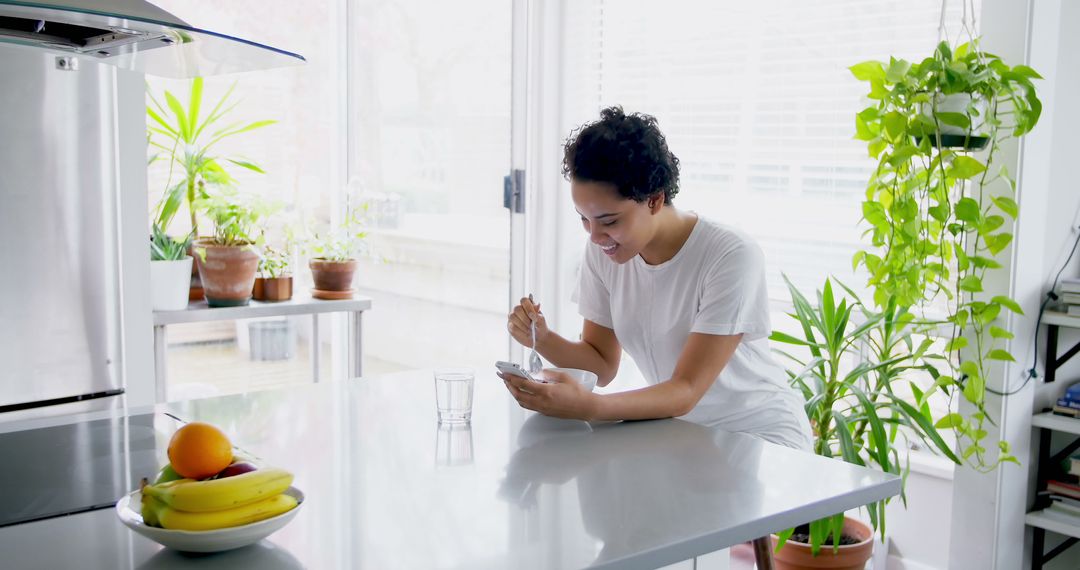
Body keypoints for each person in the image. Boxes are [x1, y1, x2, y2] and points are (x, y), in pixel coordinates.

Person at [499, 106, 812, 451]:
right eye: (584, 219)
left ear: (654, 199)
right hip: (681, 432)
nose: (595, 236)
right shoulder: (605, 252)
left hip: (759, 437)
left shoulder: (729, 255)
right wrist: (541, 338)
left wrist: (588, 407)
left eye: (609, 221)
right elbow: (602, 365)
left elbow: (687, 389)